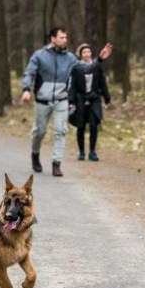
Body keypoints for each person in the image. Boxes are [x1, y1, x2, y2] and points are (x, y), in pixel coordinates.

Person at [20, 27, 112, 177]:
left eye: (65, 38)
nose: (65, 40)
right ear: (53, 39)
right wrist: (26, 89)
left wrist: (99, 59)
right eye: (61, 37)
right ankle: (35, 154)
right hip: (43, 100)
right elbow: (29, 72)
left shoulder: (69, 58)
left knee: (60, 131)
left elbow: (85, 69)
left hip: (61, 100)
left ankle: (56, 163)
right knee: (39, 132)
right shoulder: (40, 55)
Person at [68, 43, 111, 162]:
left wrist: (106, 98)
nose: (87, 54)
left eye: (89, 52)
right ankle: (81, 152)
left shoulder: (97, 66)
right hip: (80, 99)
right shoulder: (76, 67)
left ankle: (92, 151)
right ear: (80, 54)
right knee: (80, 126)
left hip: (94, 99)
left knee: (93, 124)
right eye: (84, 52)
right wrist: (71, 101)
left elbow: (102, 83)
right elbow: (73, 86)